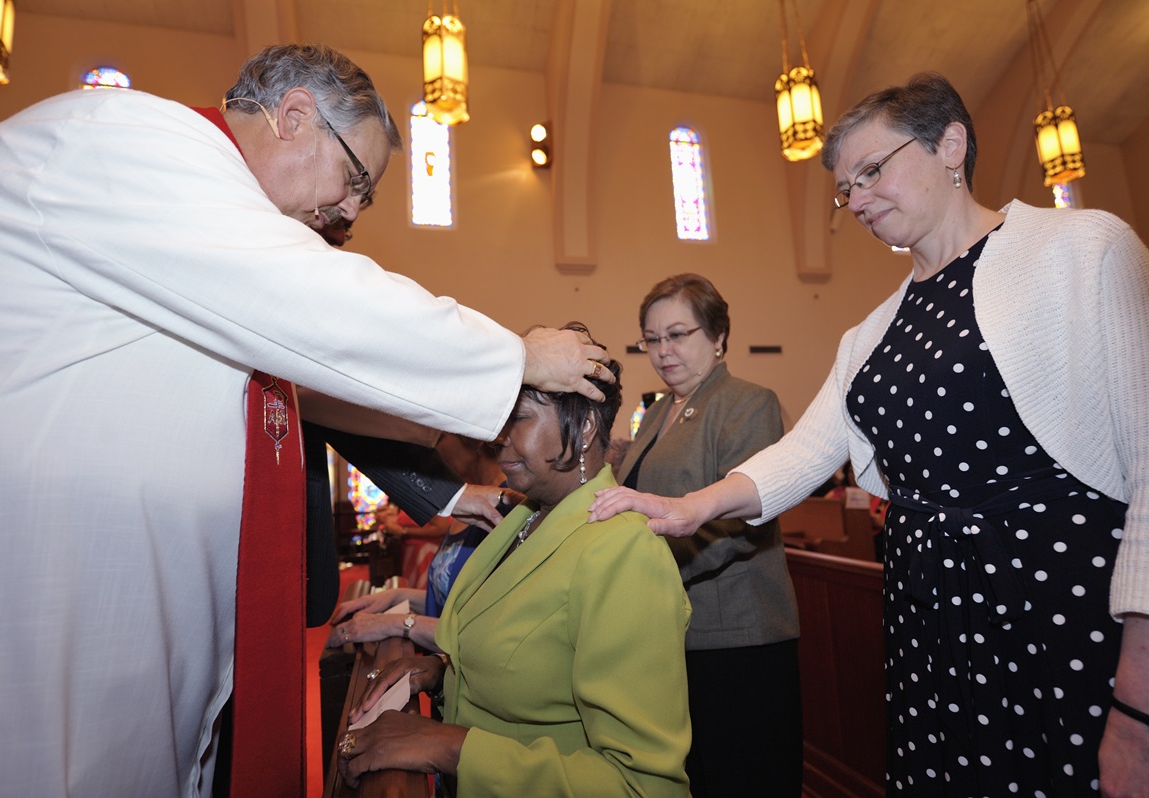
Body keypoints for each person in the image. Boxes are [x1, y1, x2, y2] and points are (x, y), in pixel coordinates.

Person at [0, 44, 613, 798]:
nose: (352, 212)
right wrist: (515, 356)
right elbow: (321, 303)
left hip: (130, 617)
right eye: (356, 180)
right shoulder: (125, 139)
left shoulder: (209, 247)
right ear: (294, 116)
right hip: (40, 591)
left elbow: (308, 384)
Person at [591, 72, 1149, 797]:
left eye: (871, 171)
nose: (854, 200)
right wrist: (691, 507)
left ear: (951, 143)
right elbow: (805, 450)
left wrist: (1136, 703)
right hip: (931, 619)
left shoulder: (1082, 248)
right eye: (844, 188)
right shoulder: (872, 332)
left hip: (1055, 603)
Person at [338, 325, 692, 797]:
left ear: (584, 427)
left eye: (518, 418)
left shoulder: (624, 552)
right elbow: (531, 662)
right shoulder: (522, 517)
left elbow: (641, 786)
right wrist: (446, 674)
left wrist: (450, 746)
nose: (497, 439)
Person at [617, 273, 802, 796]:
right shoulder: (654, 412)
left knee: (741, 776)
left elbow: (739, 522)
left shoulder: (747, 401)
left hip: (736, 631)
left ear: (718, 335)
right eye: (651, 339)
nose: (662, 350)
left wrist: (645, 576)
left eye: (677, 334)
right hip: (673, 629)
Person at [325, 434, 512, 650]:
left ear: (473, 438)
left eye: (439, 437)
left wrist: (394, 624)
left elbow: (485, 632)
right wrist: (396, 596)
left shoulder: (504, 505)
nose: (432, 449)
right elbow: (451, 604)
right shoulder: (466, 501)